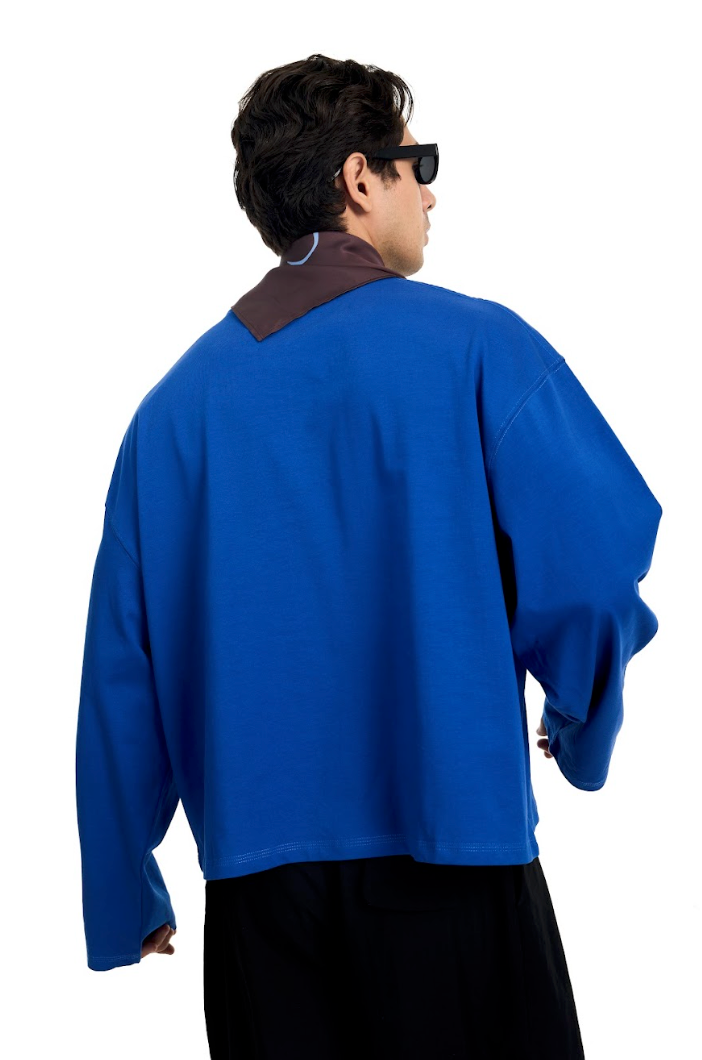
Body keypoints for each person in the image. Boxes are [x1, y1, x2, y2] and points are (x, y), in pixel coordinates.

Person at [75, 54, 662, 1059]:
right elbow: (597, 566)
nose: (429, 192)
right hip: (454, 865)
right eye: (416, 164)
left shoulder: (172, 412)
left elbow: (122, 673)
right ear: (359, 178)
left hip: (261, 905)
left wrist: (122, 883)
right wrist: (582, 724)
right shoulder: (479, 348)